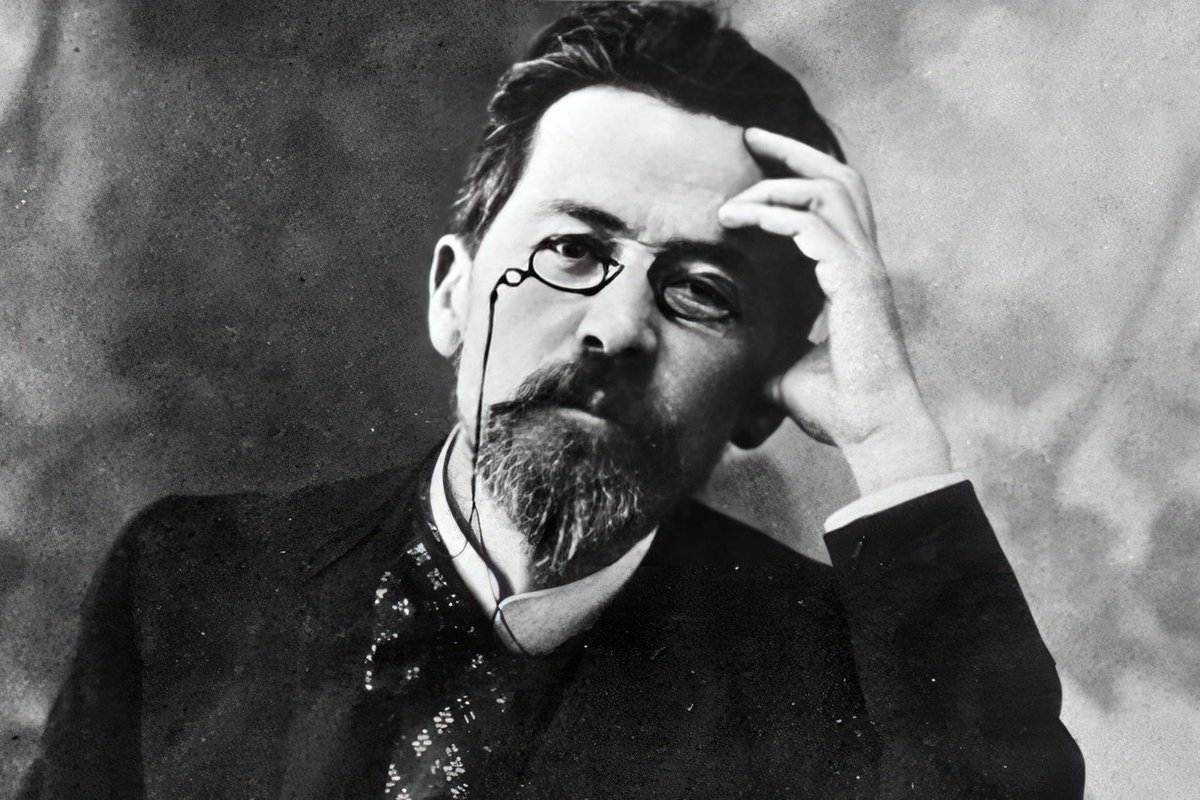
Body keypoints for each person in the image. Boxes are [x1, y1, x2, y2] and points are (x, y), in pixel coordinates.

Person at [22, 3, 1084, 798]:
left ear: (762, 400)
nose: (617, 326)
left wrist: (892, 438)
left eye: (701, 291)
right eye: (574, 249)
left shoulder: (845, 680)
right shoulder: (185, 579)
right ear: (452, 294)